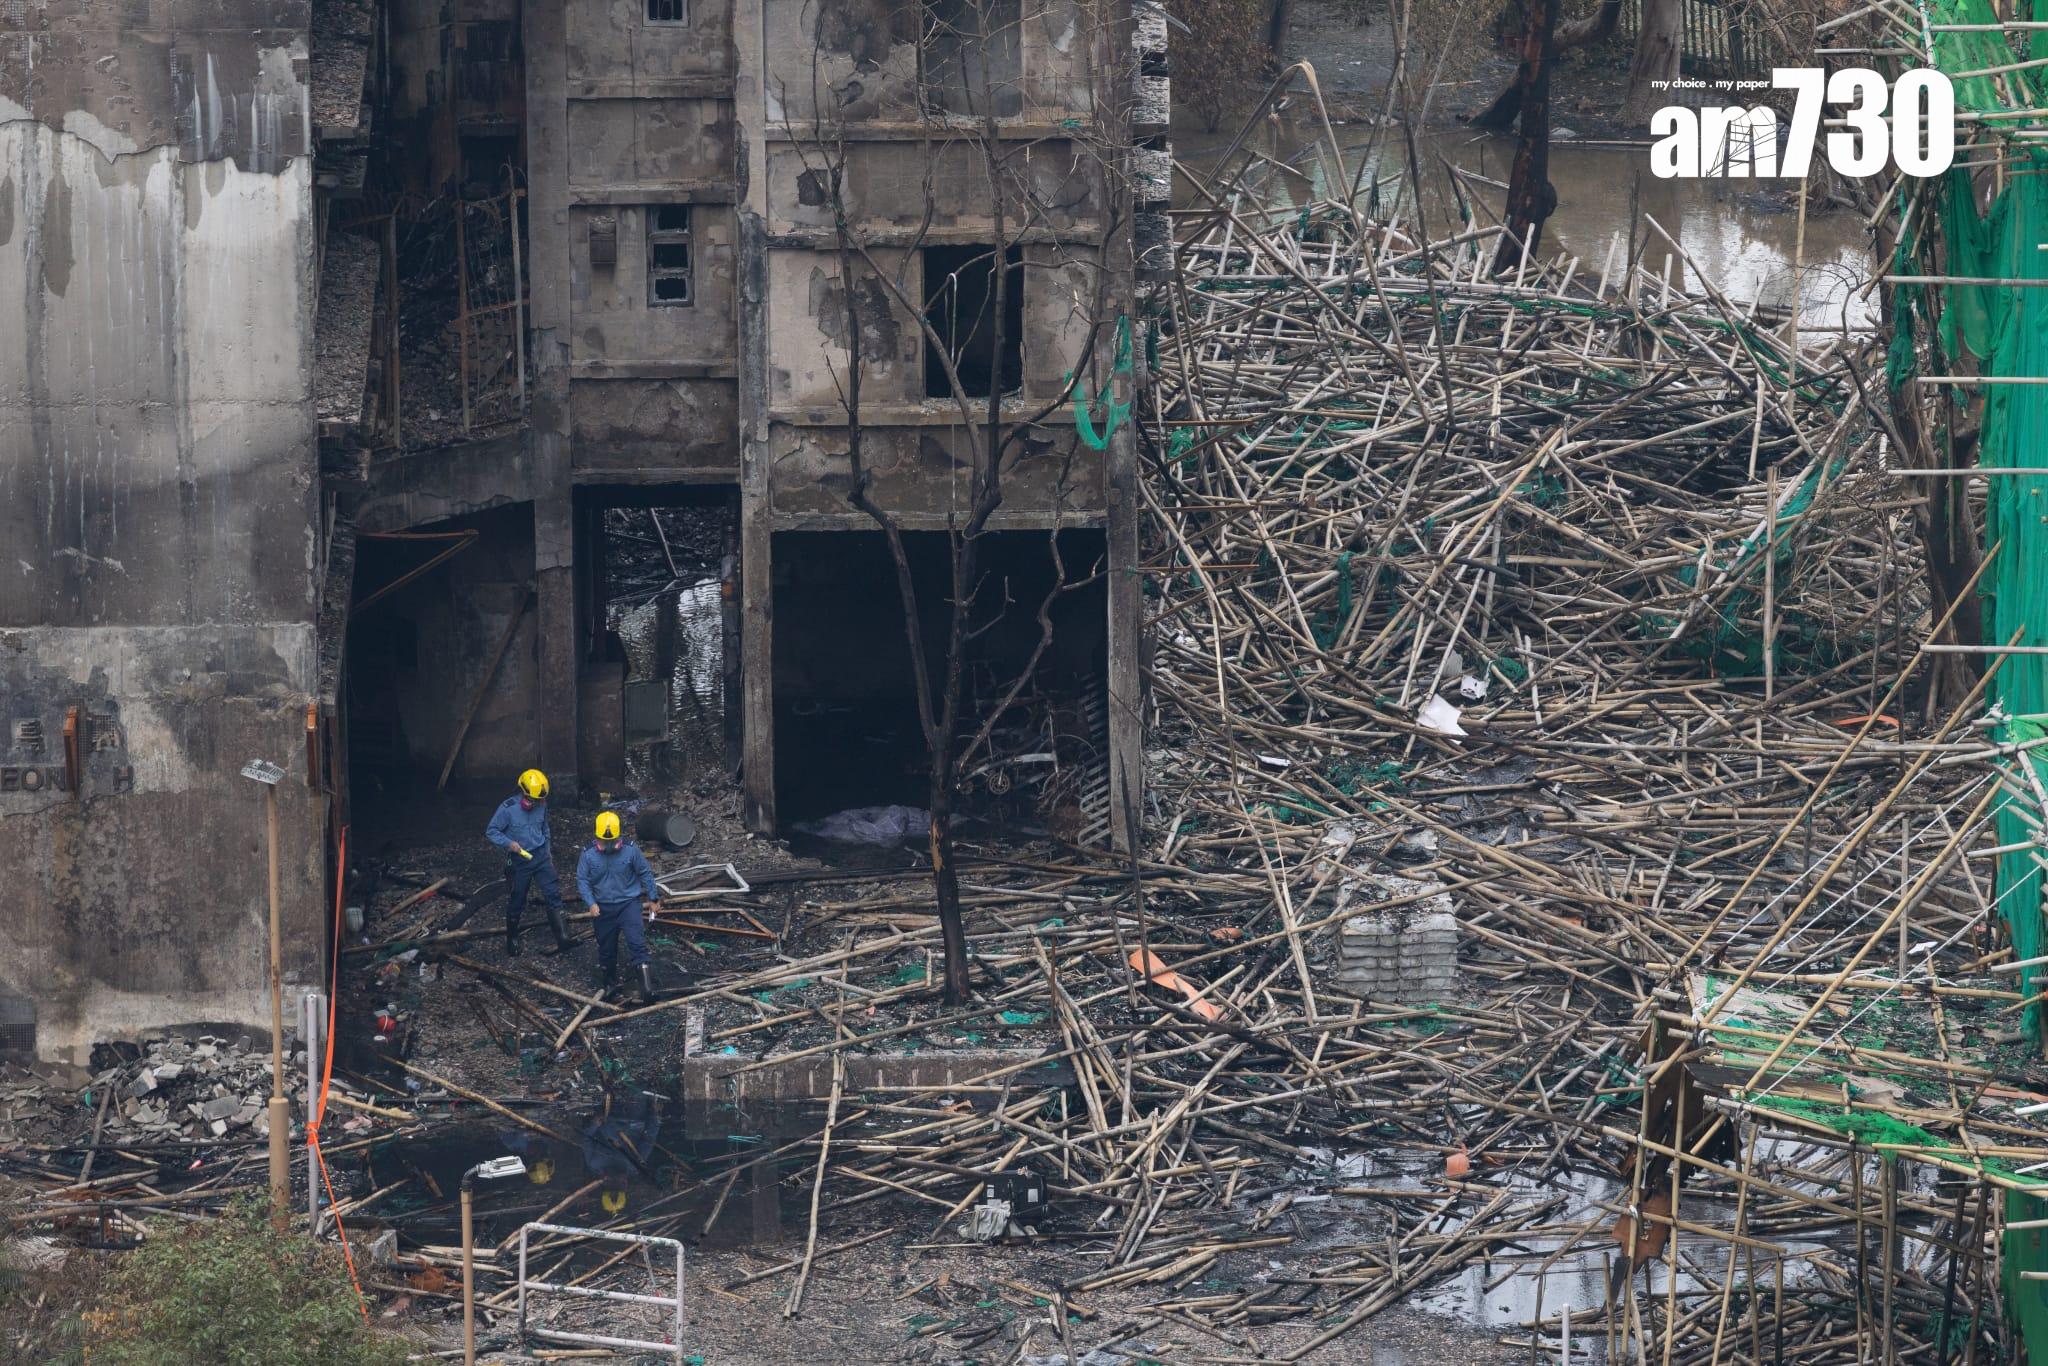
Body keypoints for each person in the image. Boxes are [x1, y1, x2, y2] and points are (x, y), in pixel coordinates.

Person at [485, 768, 573, 956]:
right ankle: (512, 938)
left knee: (553, 893)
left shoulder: (542, 804)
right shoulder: (507, 809)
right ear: (523, 792)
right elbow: (491, 831)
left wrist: (547, 851)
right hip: (520, 860)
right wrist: (509, 844)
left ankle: (562, 938)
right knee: (518, 898)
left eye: (541, 800)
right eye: (534, 800)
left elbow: (545, 828)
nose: (538, 803)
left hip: (541, 856)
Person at [577, 811, 660, 1003]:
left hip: (628, 904)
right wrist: (591, 903)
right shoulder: (588, 854)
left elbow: (645, 873)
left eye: (612, 841)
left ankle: (647, 990)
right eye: (604, 842)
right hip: (603, 908)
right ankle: (610, 984)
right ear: (597, 836)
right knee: (606, 949)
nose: (608, 846)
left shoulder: (631, 851)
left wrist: (654, 898)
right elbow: (582, 880)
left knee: (637, 943)